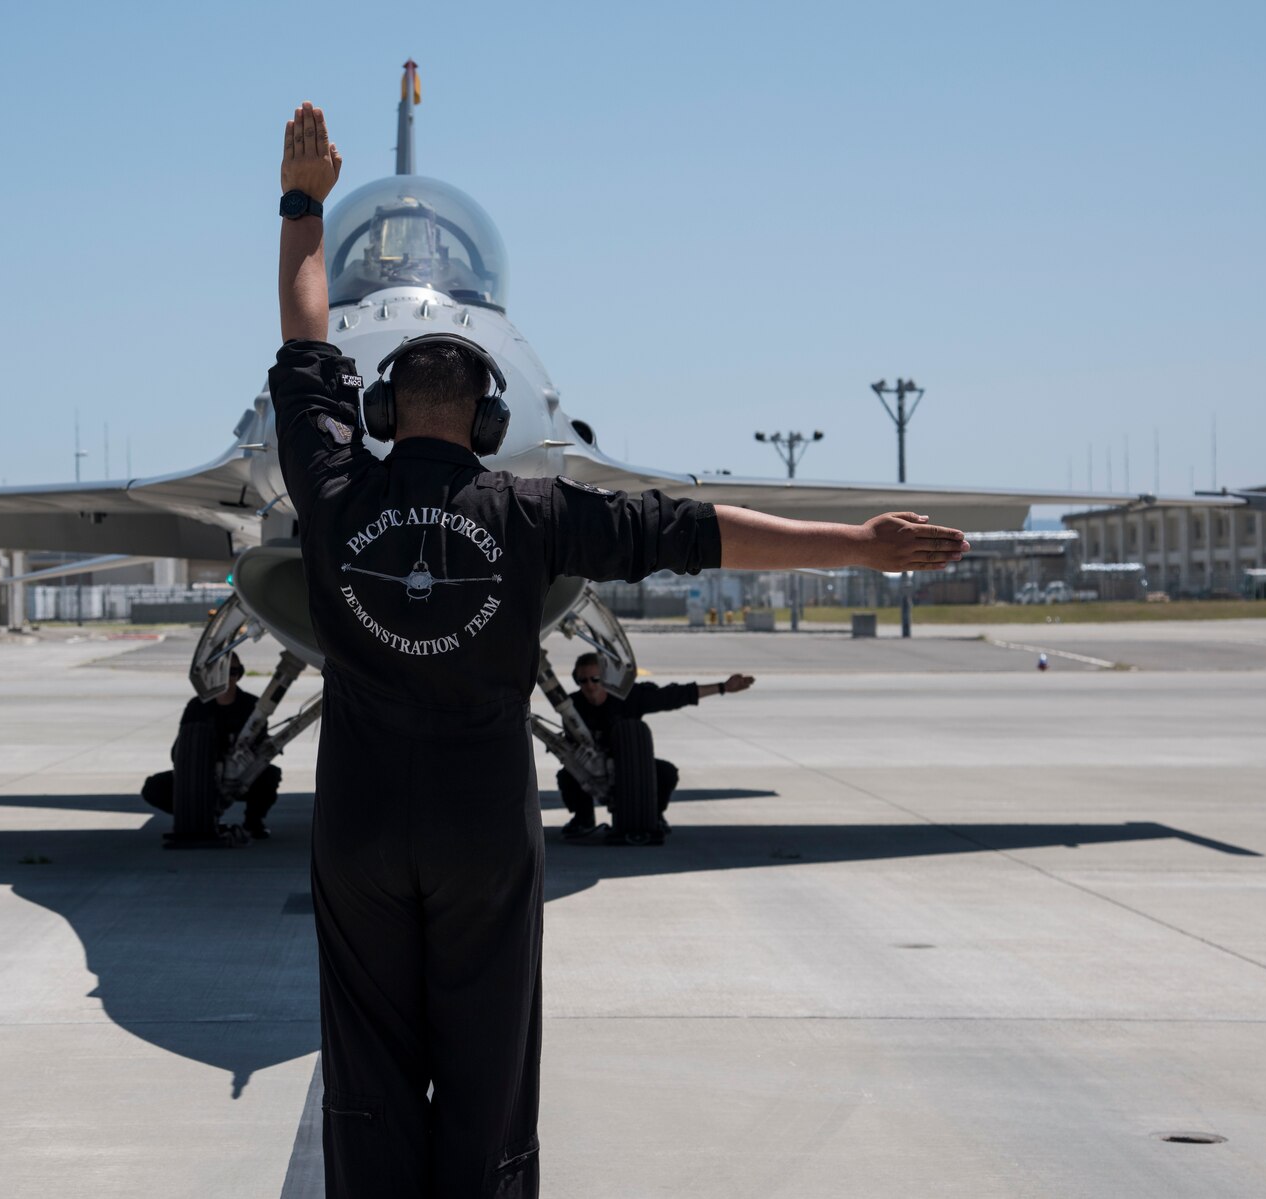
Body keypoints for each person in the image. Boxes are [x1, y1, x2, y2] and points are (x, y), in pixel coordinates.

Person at [270, 101, 967, 1197]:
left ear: (373, 409)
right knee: (489, 1069)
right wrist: (855, 546)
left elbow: (303, 333)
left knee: (368, 1067)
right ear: (489, 421)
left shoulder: (329, 487)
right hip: (485, 832)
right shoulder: (539, 510)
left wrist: (304, 201)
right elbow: (698, 528)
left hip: (357, 825)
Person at [554, 651, 754, 840]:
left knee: (666, 773)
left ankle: (654, 815)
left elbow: (673, 696)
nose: (590, 686)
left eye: (596, 679)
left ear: (606, 680)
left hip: (630, 765)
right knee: (566, 776)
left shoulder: (628, 697)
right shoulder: (572, 707)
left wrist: (722, 687)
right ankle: (583, 819)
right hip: (591, 766)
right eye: (583, 681)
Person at [139, 653, 281, 839]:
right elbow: (180, 750)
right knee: (153, 788)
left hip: (242, 774)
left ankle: (254, 822)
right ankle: (198, 817)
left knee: (270, 774)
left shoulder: (251, 706)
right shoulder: (197, 706)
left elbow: (261, 742)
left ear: (239, 674)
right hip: (202, 773)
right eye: (222, 672)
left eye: (233, 672)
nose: (227, 677)